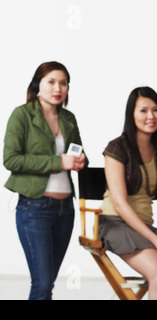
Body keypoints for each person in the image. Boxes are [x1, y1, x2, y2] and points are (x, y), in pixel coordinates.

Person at [3, 61, 87, 300]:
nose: (57, 88)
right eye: (51, 82)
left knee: (47, 283)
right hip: (34, 208)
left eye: (63, 83)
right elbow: (11, 160)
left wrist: (81, 161)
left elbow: (79, 153)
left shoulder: (68, 118)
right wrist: (58, 162)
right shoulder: (22, 115)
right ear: (37, 84)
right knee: (41, 284)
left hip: (65, 210)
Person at [98, 86, 157, 300]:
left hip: (145, 226)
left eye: (155, 109)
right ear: (131, 114)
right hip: (114, 224)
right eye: (143, 110)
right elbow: (120, 204)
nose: (151, 116)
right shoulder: (116, 148)